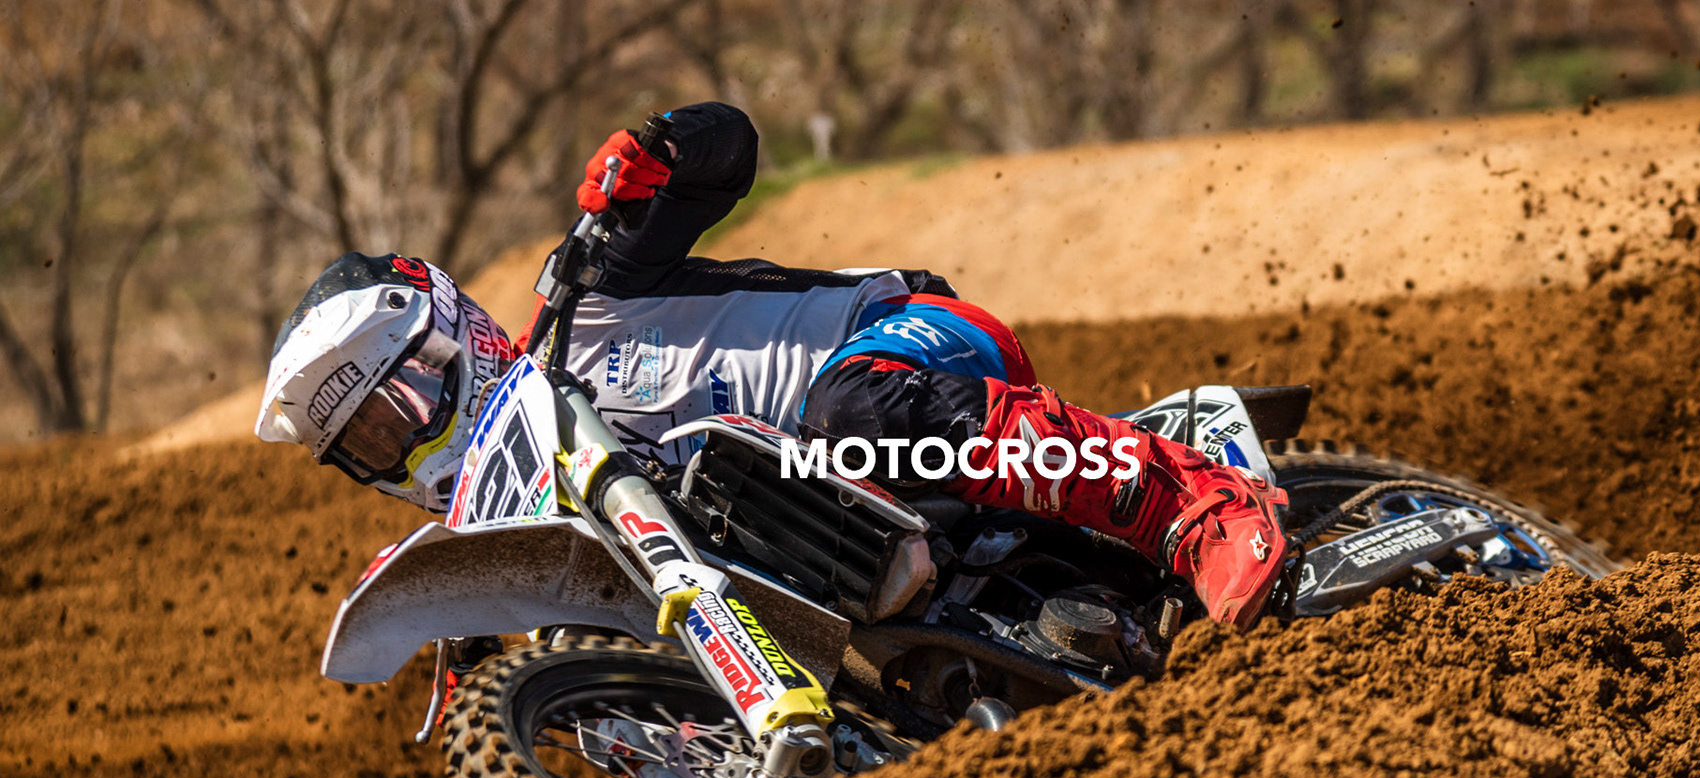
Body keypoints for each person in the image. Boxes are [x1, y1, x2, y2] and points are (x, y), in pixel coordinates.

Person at [254, 102, 1289, 629]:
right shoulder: (522, 527)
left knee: (847, 413)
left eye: (406, 397)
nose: (410, 440)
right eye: (377, 442)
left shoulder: (584, 296)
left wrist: (661, 148)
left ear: (456, 336)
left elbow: (730, 153)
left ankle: (1187, 504)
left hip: (902, 349)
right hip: (849, 550)